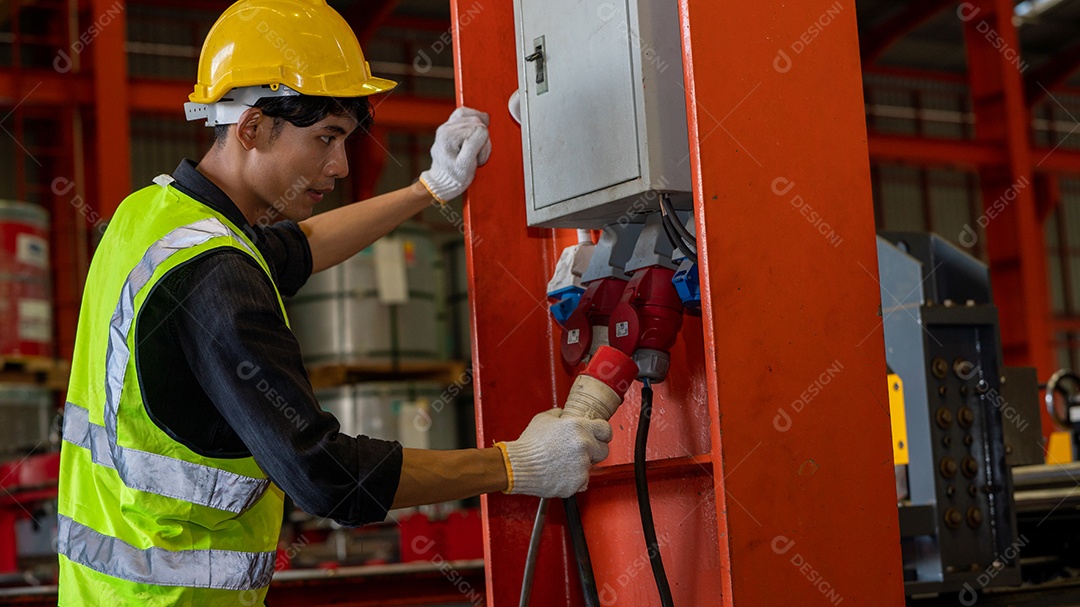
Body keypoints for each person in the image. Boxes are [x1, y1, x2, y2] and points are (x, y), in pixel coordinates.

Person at [55, 1, 613, 604]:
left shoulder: (154, 217)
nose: (340, 166)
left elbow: (298, 248)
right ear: (252, 128)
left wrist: (429, 189)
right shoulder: (217, 275)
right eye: (326, 138)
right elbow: (326, 476)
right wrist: (516, 465)